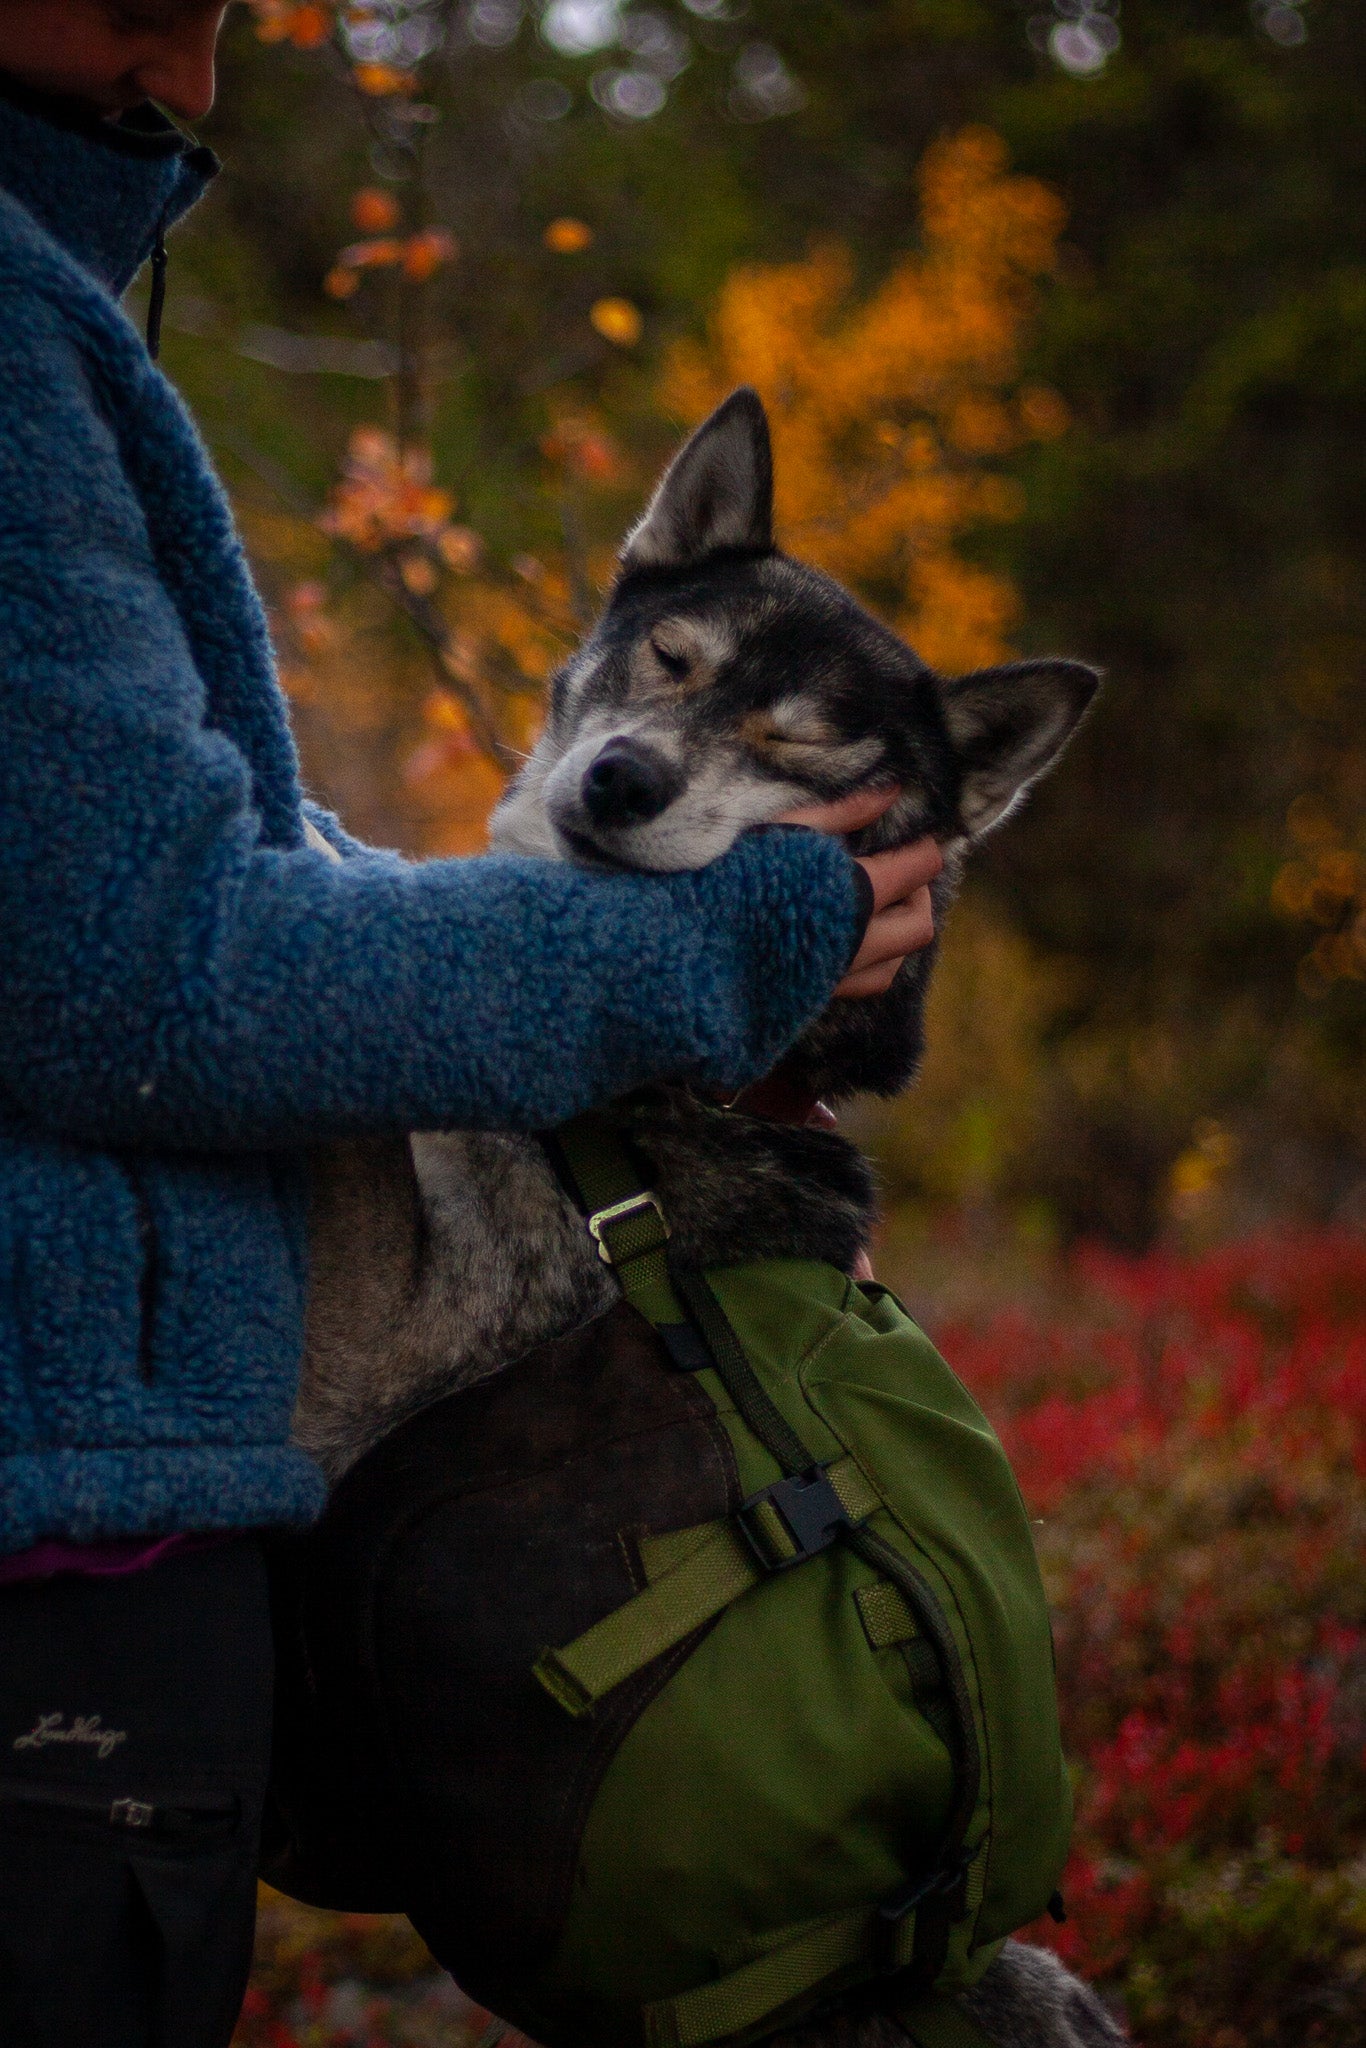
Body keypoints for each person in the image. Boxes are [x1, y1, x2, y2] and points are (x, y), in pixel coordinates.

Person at [0, 5, 942, 2044]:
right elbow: (142, 968)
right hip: (56, 1569)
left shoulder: (51, 305)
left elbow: (149, 857)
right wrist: (741, 941)